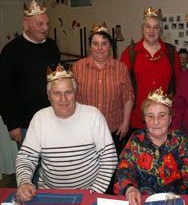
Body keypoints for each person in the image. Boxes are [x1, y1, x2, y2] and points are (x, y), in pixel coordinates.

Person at [16, 64, 118, 201]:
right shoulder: (39, 119)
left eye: (68, 92)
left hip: (89, 192)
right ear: (48, 96)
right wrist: (24, 182)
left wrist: (93, 193)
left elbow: (109, 158)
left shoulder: (93, 116)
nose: (63, 99)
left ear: (76, 94)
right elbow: (26, 157)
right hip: (50, 194)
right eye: (57, 93)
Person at [114, 87, 188, 205]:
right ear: (144, 119)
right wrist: (129, 189)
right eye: (150, 116)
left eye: (162, 115)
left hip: (175, 201)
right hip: (141, 201)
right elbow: (123, 169)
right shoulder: (136, 139)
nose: (156, 121)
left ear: (170, 119)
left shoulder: (179, 139)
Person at [0, 0, 60, 147]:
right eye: (40, 24)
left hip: (53, 119)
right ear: (25, 25)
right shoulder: (11, 51)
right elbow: (3, 90)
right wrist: (12, 124)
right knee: (30, 167)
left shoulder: (52, 46)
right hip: (26, 124)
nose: (45, 28)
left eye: (47, 23)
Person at [72, 23, 134, 156]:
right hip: (84, 130)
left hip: (113, 130)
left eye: (104, 43)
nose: (100, 48)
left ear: (110, 46)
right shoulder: (78, 67)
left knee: (110, 170)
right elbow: (71, 98)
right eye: (95, 43)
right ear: (90, 46)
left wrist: (125, 123)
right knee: (86, 168)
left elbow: (128, 97)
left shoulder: (121, 68)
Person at [120, 6, 181, 132]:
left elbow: (178, 85)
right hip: (137, 119)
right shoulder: (130, 53)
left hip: (163, 120)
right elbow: (123, 89)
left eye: (156, 27)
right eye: (148, 26)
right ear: (142, 30)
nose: (151, 31)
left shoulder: (171, 53)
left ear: (161, 31)